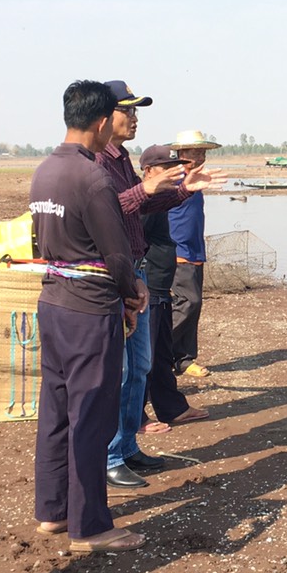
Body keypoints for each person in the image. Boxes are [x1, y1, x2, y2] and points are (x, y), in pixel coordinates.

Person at [30, 80, 148, 553]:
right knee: (91, 417)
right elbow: (116, 255)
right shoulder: (93, 178)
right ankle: (90, 525)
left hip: (53, 302)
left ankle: (53, 511)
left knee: (56, 413)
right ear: (101, 123)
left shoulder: (43, 171)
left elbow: (41, 242)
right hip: (89, 310)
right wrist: (133, 293)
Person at [94, 82, 220, 488]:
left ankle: (128, 447)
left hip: (137, 270)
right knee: (122, 369)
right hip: (113, 275)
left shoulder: (119, 159)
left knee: (141, 366)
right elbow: (103, 212)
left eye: (136, 111)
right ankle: (111, 455)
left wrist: (182, 189)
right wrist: (144, 189)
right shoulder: (93, 161)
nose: (134, 118)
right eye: (127, 110)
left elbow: (141, 205)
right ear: (103, 115)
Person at [140, 145, 210, 427]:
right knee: (144, 355)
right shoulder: (144, 199)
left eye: (175, 168)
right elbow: (137, 240)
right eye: (166, 169)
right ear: (147, 172)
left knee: (159, 352)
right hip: (150, 280)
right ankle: (136, 416)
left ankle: (171, 407)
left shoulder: (167, 195)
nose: (173, 173)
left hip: (162, 279)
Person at [168, 129, 222, 378]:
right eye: (193, 152)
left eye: (201, 152)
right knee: (188, 303)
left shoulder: (196, 179)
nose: (199, 156)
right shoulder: (173, 178)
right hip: (178, 251)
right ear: (180, 153)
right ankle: (160, 354)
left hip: (195, 250)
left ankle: (183, 359)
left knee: (194, 305)